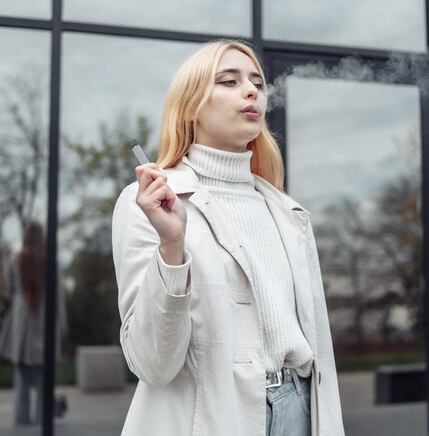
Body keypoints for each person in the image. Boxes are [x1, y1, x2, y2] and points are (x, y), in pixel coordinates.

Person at [112, 39, 345, 436]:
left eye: (258, 82)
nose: (252, 90)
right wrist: (172, 247)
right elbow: (152, 363)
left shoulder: (287, 214)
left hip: (303, 410)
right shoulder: (150, 204)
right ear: (190, 106)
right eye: (229, 81)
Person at [0, 221, 46, 426]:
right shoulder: (48, 261)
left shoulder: (14, 260)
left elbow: (7, 291)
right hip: (43, 323)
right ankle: (43, 421)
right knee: (43, 381)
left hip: (21, 324)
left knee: (22, 381)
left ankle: (21, 421)